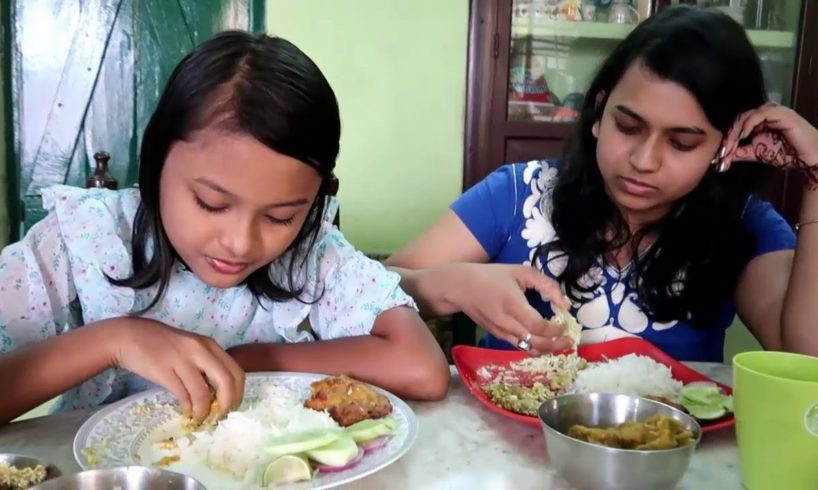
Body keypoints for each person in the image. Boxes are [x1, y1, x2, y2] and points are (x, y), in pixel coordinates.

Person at [0, 31, 449, 426]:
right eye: (211, 203)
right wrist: (113, 340)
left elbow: (420, 368)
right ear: (156, 163)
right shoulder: (85, 238)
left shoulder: (311, 255)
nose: (240, 243)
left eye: (281, 217)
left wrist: (247, 359)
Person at [386, 6, 818, 362]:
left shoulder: (743, 223)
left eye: (682, 143)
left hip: (667, 462)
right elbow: (373, 290)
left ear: (728, 145)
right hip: (503, 455)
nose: (643, 161)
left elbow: (805, 356)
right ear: (598, 113)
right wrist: (451, 285)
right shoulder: (519, 194)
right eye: (627, 126)